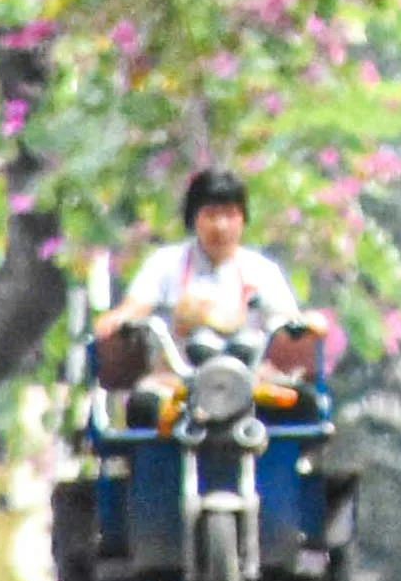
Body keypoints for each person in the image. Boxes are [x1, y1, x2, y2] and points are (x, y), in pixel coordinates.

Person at [99, 167, 310, 406]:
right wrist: (118, 320)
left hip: (251, 381)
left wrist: (304, 323)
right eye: (210, 214)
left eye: (230, 215)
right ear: (194, 218)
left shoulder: (262, 270)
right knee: (142, 406)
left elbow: (289, 319)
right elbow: (136, 305)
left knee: (303, 405)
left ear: (243, 219)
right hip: (179, 381)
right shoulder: (165, 263)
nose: (220, 226)